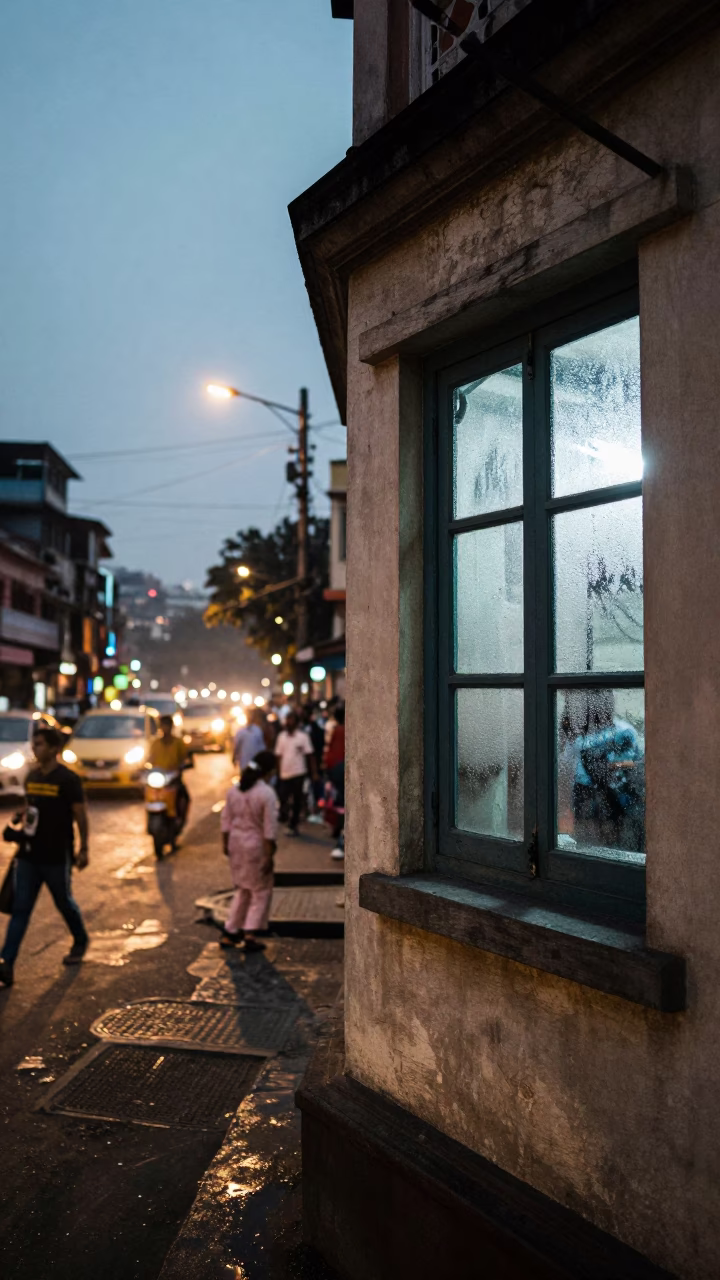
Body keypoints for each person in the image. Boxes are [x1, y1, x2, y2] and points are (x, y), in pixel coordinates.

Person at [0, 726, 89, 987]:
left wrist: (84, 848)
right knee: (21, 909)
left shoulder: (68, 780)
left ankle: (80, 939)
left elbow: (80, 815)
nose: (35, 749)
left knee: (64, 902)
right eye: (34, 744)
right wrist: (20, 816)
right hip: (28, 854)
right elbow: (31, 806)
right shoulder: (33, 776)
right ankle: (7, 963)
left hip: (56, 855)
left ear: (53, 748)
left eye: (39, 744)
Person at [220, 750, 278, 952]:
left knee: (242, 889)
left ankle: (230, 931)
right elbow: (269, 829)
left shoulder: (234, 791)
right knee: (260, 891)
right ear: (269, 771)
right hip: (256, 846)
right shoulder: (266, 794)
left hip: (235, 843)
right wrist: (269, 855)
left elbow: (225, 822)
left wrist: (226, 845)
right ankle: (250, 934)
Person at [275, 710, 317, 836]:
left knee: (297, 800)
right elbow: (278, 756)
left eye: (291, 720)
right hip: (284, 774)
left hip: (299, 773)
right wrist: (277, 772)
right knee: (283, 798)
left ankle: (293, 824)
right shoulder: (281, 737)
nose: (289, 722)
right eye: (288, 720)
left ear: (297, 723)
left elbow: (310, 756)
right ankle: (286, 817)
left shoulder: (303, 737)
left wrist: (314, 773)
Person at [148, 714, 191, 832]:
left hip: (174, 779)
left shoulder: (178, 743)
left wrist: (181, 767)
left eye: (167, 726)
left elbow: (185, 758)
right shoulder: (155, 743)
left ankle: (180, 819)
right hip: (158, 780)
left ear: (171, 727)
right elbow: (149, 759)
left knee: (185, 798)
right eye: (162, 726)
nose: (164, 728)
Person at [323, 705, 346, 860]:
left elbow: (330, 752)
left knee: (341, 805)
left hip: (337, 769)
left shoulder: (337, 730)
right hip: (343, 769)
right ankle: (341, 839)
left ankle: (339, 835)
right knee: (343, 805)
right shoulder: (343, 730)